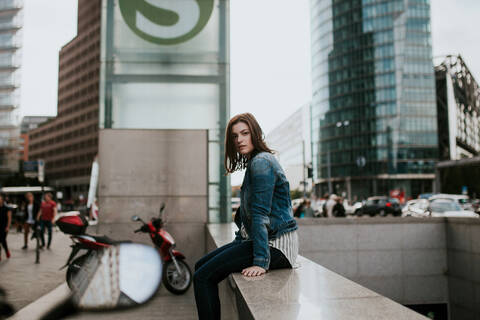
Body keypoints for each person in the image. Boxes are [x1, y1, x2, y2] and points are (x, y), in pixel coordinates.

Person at [194, 113, 298, 320]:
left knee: (202, 277)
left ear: (255, 134)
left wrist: (261, 262)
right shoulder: (255, 163)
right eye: (234, 136)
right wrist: (237, 244)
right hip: (263, 241)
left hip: (275, 246)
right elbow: (247, 217)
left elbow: (260, 214)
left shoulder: (262, 162)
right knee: (200, 266)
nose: (239, 140)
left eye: (245, 133)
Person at [0, 195, 12, 260]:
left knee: (3, 240)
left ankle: (6, 251)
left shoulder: (7, 208)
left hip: (4, 226)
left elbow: (9, 218)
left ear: (2, 200)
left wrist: (8, 226)